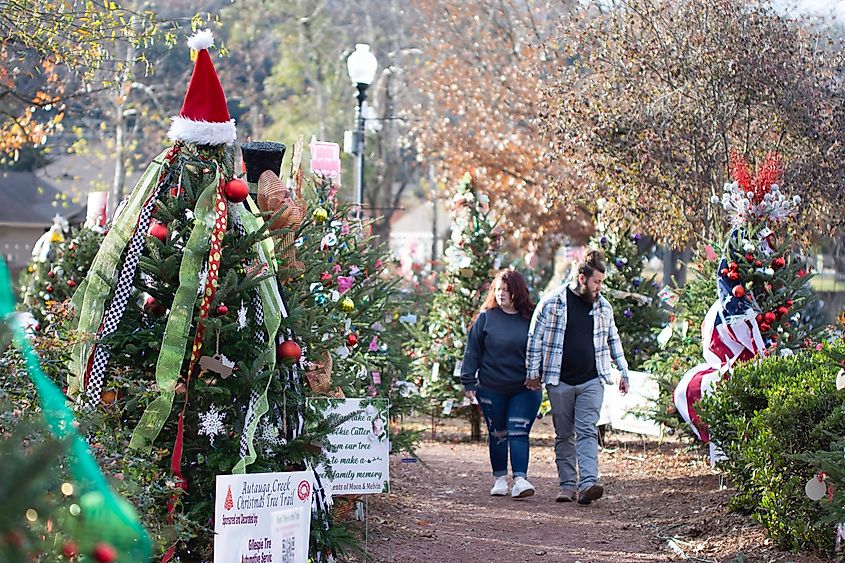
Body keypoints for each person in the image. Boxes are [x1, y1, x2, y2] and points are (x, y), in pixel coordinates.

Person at [525, 249, 629, 505]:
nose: (599, 287)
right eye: (596, 282)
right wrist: (532, 373)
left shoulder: (603, 306)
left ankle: (588, 484)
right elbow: (535, 339)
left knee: (587, 431)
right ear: (582, 279)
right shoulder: (552, 303)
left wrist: (623, 371)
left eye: (601, 282)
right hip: (559, 380)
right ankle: (567, 485)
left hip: (592, 380)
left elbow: (612, 338)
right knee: (564, 434)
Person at [461, 269, 541, 499]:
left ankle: (520, 479)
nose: (501, 294)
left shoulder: (531, 318)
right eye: (498, 290)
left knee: (518, 432)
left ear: (517, 292)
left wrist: (542, 375)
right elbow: (472, 351)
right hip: (491, 388)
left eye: (506, 291)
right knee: (497, 433)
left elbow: (544, 348)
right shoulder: (486, 318)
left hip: (525, 388)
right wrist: (468, 382)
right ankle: (499, 479)